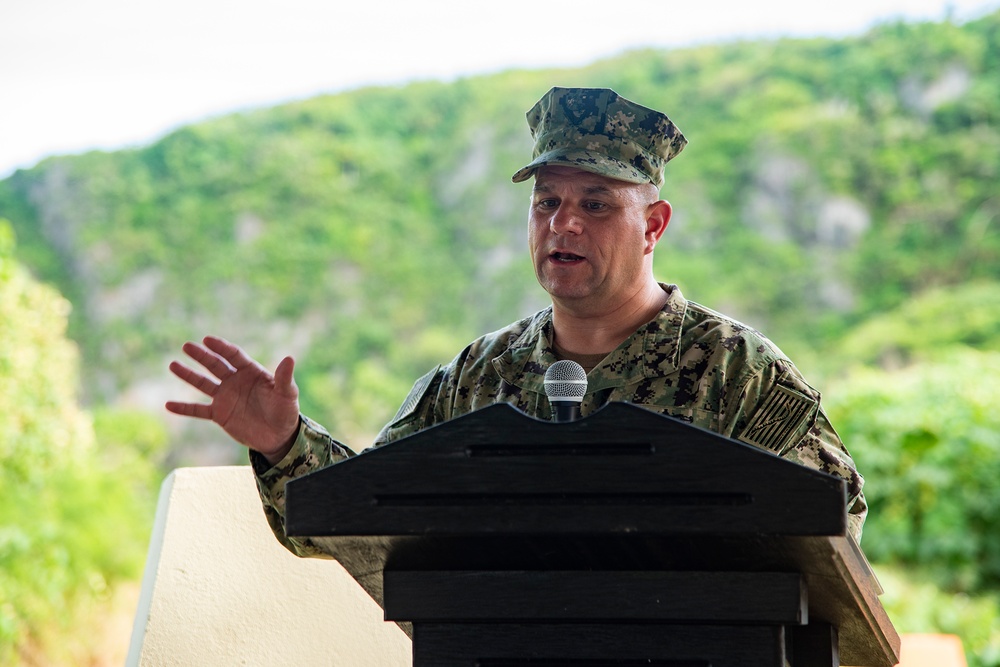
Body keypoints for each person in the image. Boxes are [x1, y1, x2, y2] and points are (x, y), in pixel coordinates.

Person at [167, 87, 867, 559]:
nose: (563, 221)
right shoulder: (477, 377)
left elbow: (833, 538)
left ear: (653, 225)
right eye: (547, 201)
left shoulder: (738, 373)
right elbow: (366, 523)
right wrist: (284, 441)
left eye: (596, 203)